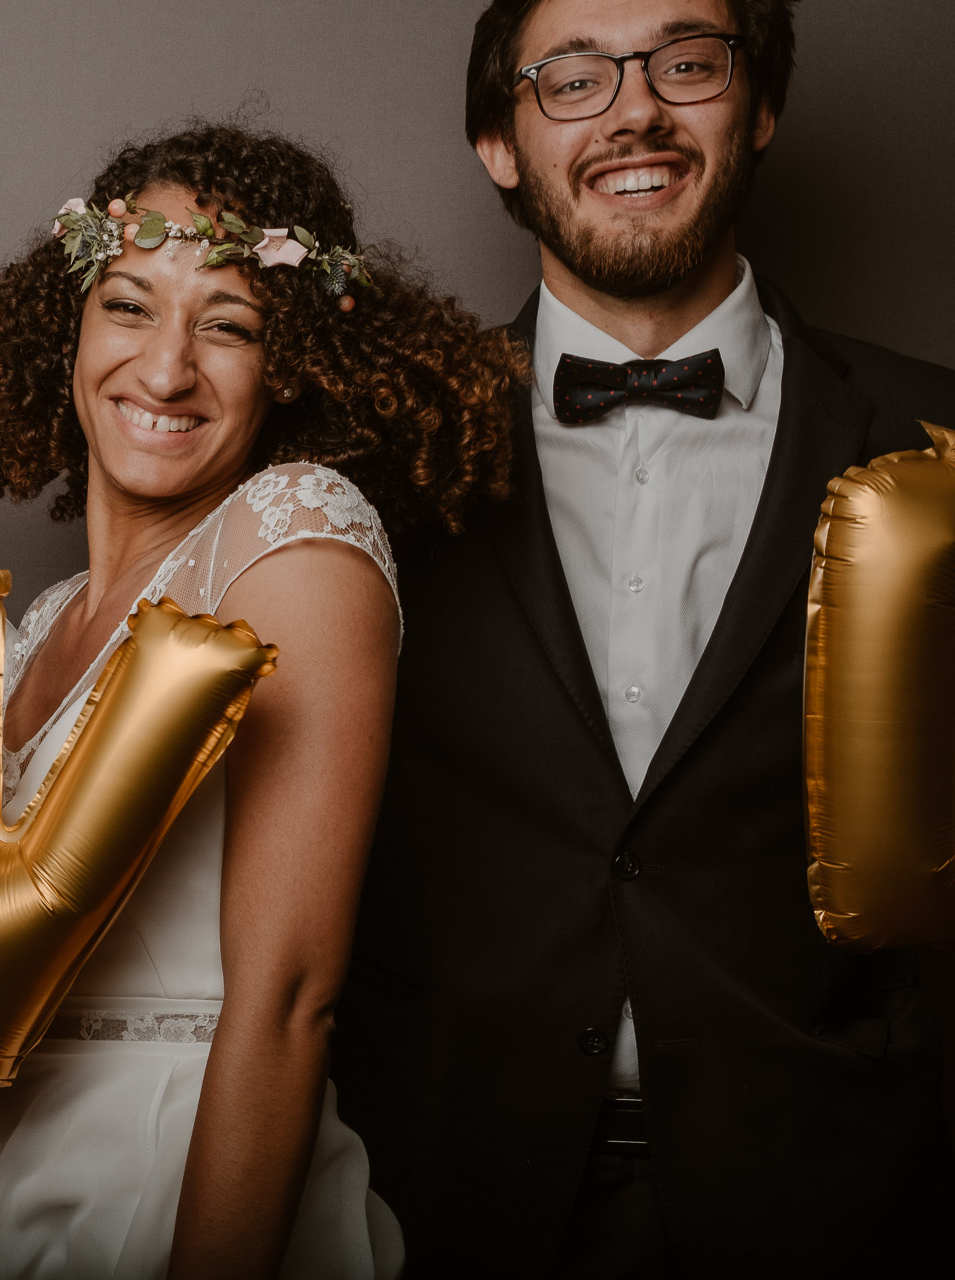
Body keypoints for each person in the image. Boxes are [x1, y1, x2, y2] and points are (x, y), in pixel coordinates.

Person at [332, 0, 955, 1273]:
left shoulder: (934, 439)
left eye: (684, 61)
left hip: (848, 1190)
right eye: (568, 76)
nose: (632, 109)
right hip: (441, 1192)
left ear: (759, 103)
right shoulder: (362, 464)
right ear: (495, 142)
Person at [0, 124, 523, 1278]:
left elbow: (290, 999)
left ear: (295, 362)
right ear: (67, 324)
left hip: (182, 1169)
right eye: (129, 305)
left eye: (229, 323)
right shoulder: (32, 623)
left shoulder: (291, 540)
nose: (165, 369)